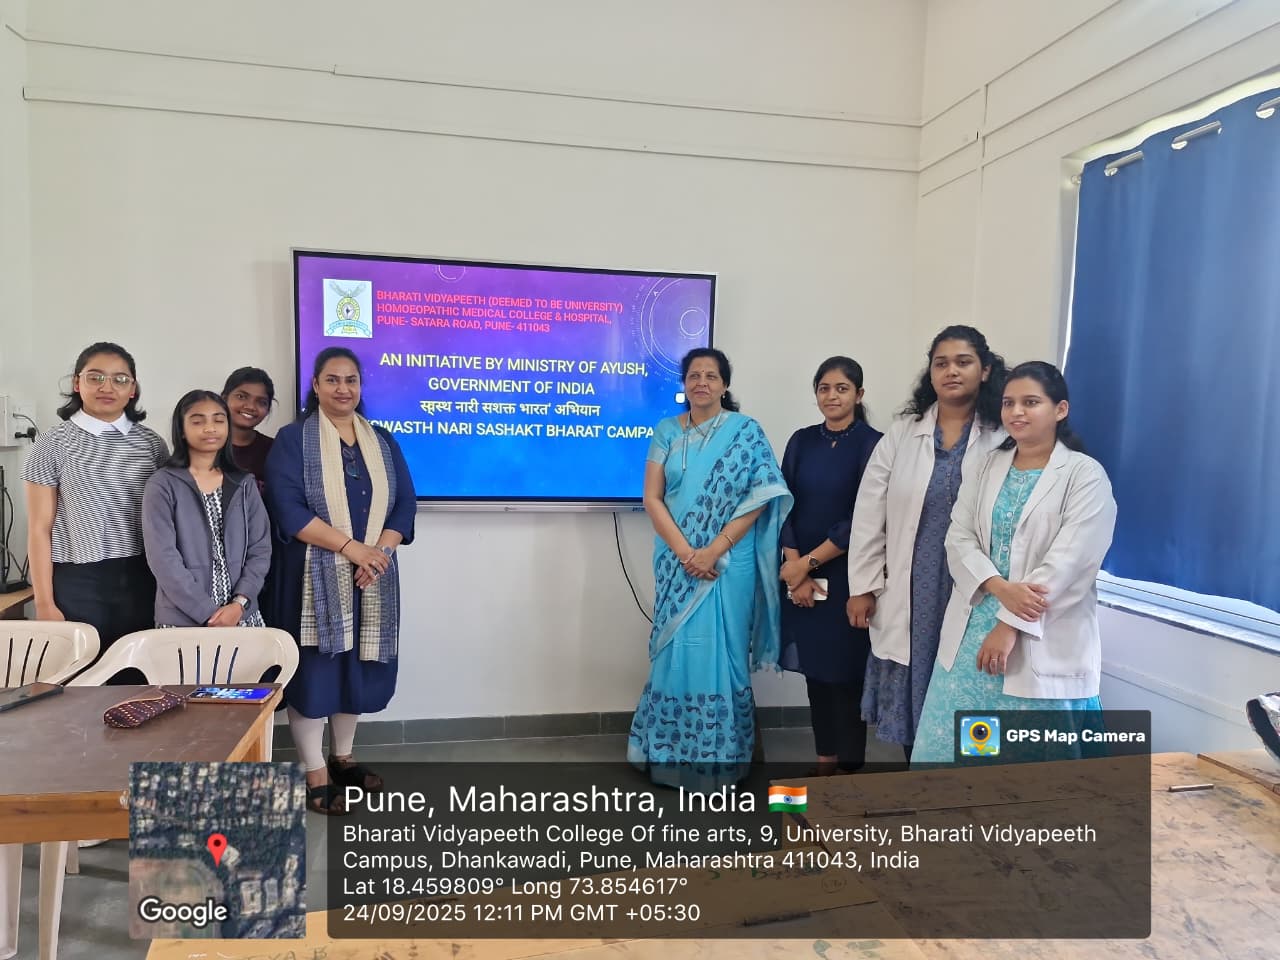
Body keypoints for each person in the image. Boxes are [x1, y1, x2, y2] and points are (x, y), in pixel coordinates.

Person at [910, 361, 1117, 764]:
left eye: (1031, 402)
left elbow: (1071, 561)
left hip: (1039, 630)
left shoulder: (1085, 476)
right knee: (962, 754)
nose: (1017, 412)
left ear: (1060, 409)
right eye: (1009, 403)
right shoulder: (987, 466)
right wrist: (998, 586)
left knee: (1029, 762)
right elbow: (959, 537)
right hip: (974, 628)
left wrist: (1008, 625)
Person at [627, 348, 792, 791]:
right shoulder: (667, 431)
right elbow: (652, 498)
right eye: (694, 375)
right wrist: (687, 553)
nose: (702, 382)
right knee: (677, 651)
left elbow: (761, 497)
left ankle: (723, 759)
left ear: (724, 384)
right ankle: (669, 755)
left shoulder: (746, 433)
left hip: (729, 562)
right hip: (677, 559)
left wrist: (714, 549)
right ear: (684, 384)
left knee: (727, 653)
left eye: (711, 375)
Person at [265, 347, 416, 815]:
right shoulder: (293, 440)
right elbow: (288, 509)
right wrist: (353, 549)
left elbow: (405, 505)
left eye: (351, 380)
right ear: (315, 385)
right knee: (316, 670)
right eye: (332, 379)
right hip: (312, 577)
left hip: (373, 576)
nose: (342, 388)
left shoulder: (382, 440)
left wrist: (378, 554)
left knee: (357, 668)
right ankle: (315, 772)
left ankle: (343, 758)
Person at [848, 326, 1007, 762]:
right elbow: (869, 513)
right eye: (941, 363)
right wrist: (863, 586)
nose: (951, 371)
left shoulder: (1002, 436)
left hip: (972, 586)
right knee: (914, 687)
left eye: (963, 362)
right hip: (911, 585)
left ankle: (965, 788)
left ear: (985, 370)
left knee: (970, 690)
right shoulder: (903, 433)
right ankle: (918, 780)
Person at [24, 342, 168, 666]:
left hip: (142, 577)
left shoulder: (152, 444)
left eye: (120, 379)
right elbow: (38, 529)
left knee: (137, 676)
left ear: (133, 389)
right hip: (77, 580)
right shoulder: (52, 443)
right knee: (78, 678)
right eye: (96, 377)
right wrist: (44, 603)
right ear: (77, 383)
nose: (107, 387)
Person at [778, 357, 882, 775]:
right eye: (824, 388)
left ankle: (850, 772)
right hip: (800, 574)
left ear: (859, 394)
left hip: (849, 577)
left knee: (846, 675)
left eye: (842, 388)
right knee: (816, 675)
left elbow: (864, 518)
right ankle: (825, 763)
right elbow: (783, 504)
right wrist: (794, 569)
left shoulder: (874, 444)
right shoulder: (802, 441)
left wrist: (808, 563)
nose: (832, 396)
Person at [141, 391, 271, 628]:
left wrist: (239, 604)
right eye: (198, 421)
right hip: (183, 620)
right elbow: (163, 559)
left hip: (241, 616)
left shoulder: (243, 483)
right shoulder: (162, 484)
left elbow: (260, 550)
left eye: (219, 420)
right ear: (181, 429)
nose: (210, 428)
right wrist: (209, 614)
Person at [221, 367, 276, 488]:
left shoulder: (275, 449)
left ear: (268, 410)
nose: (251, 407)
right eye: (241, 396)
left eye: (261, 402)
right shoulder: (207, 445)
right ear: (224, 399)